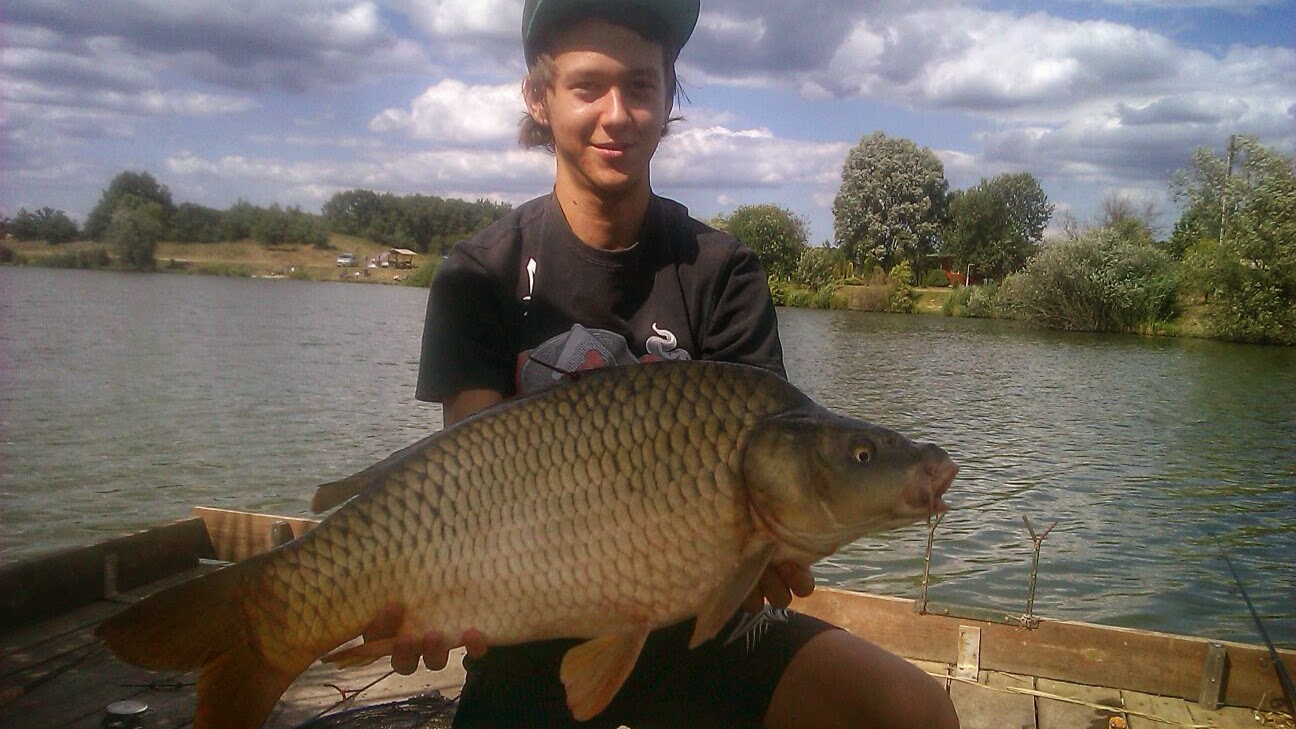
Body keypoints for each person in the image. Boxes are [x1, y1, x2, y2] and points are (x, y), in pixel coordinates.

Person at [368, 1, 960, 727]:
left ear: (668, 96)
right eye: (588, 86)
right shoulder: (478, 274)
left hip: (702, 635)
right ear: (539, 97)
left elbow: (771, 502)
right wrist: (428, 593)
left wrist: (766, 558)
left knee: (911, 711)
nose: (618, 114)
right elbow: (465, 485)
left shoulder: (721, 270)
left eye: (641, 86)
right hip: (525, 635)